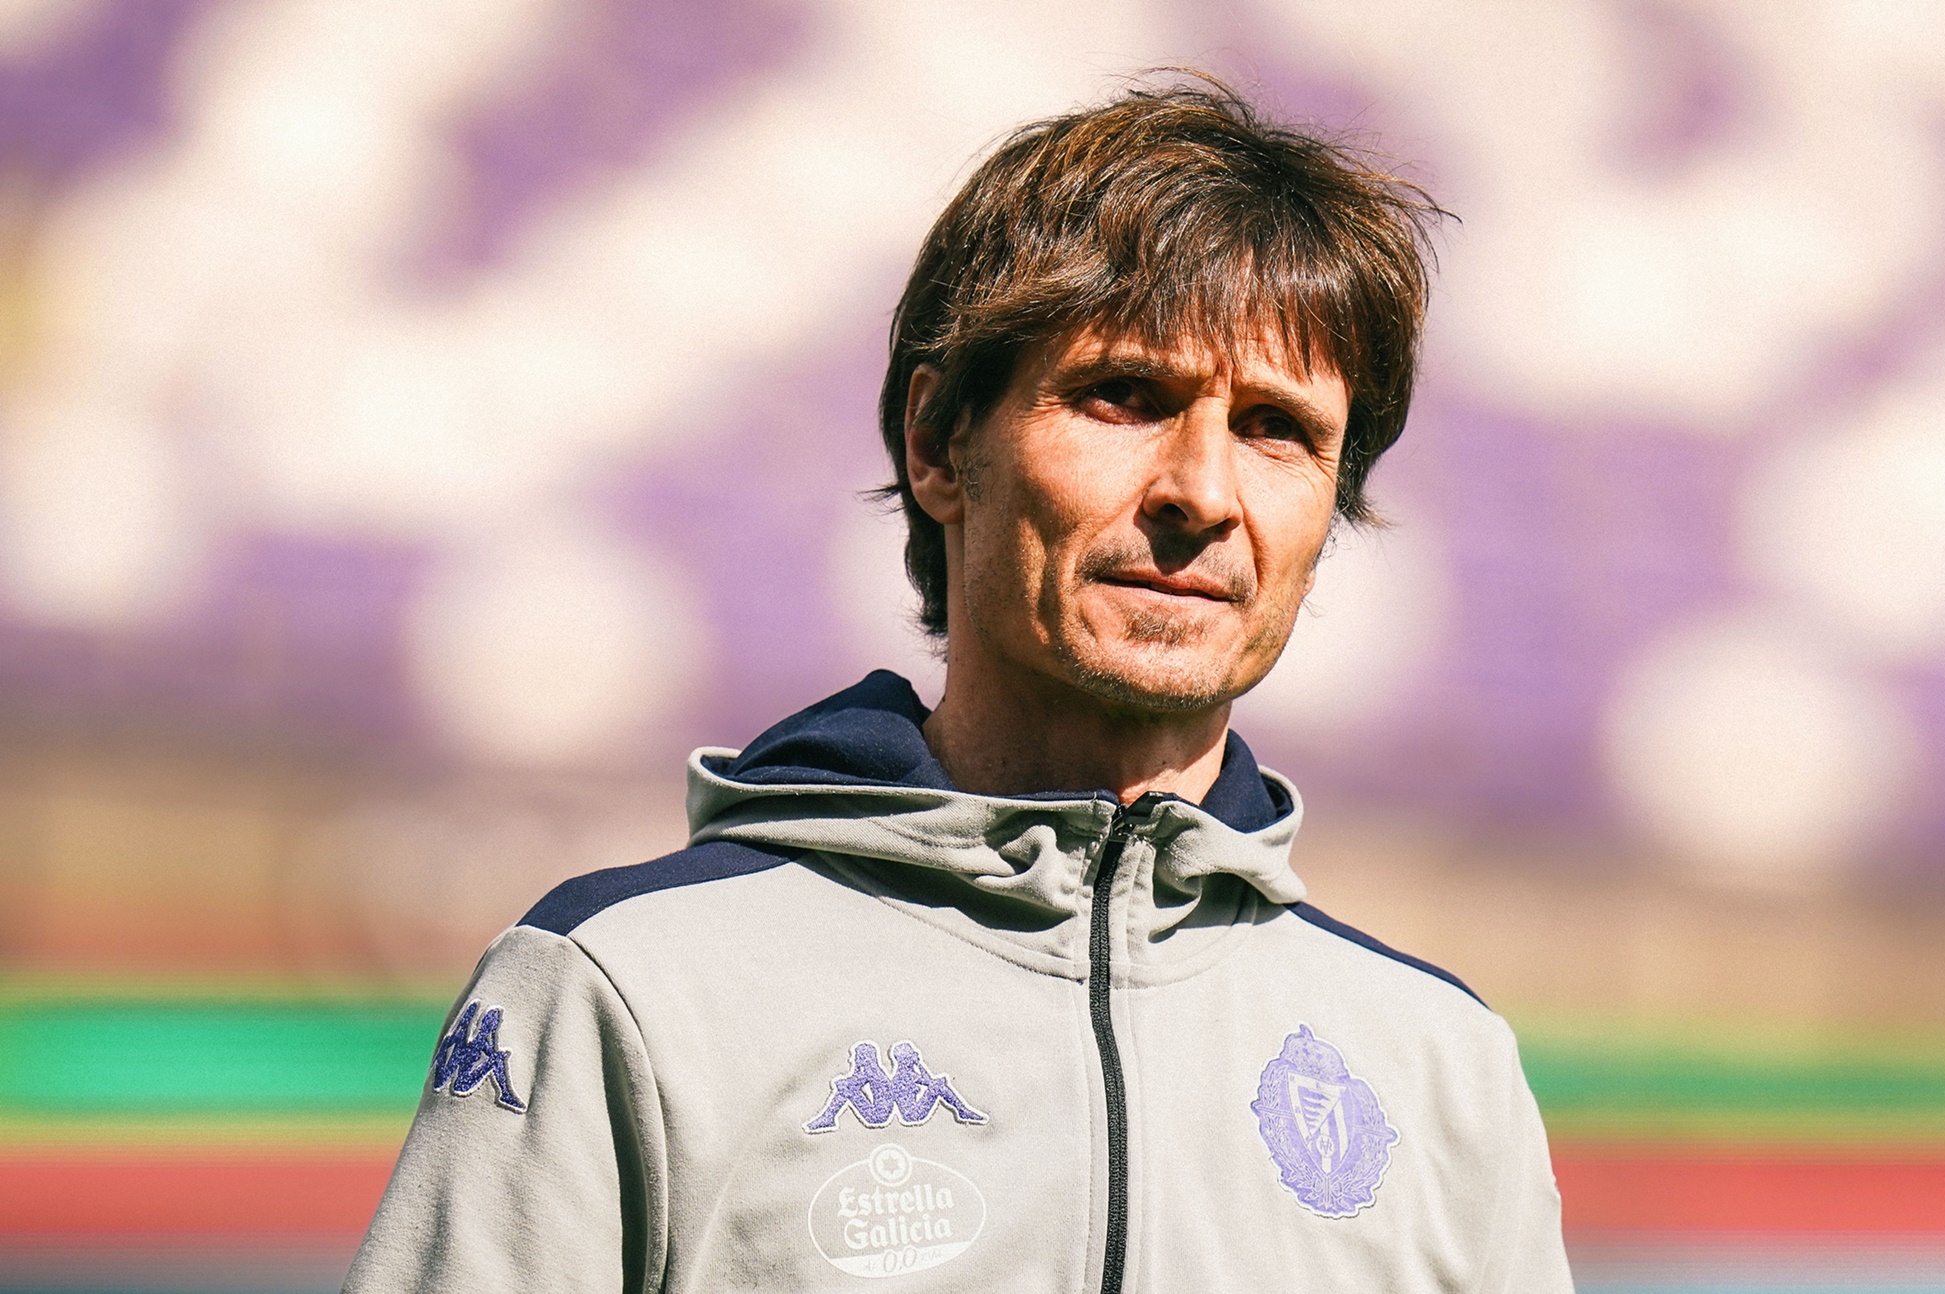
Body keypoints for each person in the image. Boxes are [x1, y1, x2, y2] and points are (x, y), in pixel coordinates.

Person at [346, 78, 1572, 1293]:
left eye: (1274, 428)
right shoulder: (620, 987)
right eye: (1125, 397)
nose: (1201, 492)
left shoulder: (1441, 1069)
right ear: (937, 443)